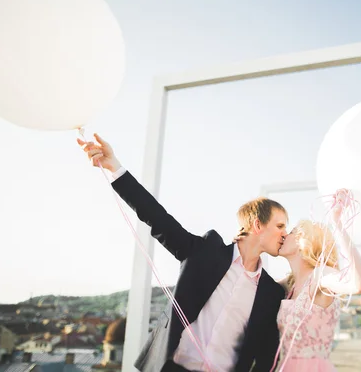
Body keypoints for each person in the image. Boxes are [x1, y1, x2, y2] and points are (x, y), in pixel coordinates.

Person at [78, 133, 287, 372]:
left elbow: (266, 358)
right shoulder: (205, 252)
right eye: (280, 226)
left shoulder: (272, 293)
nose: (284, 233)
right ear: (257, 225)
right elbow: (156, 217)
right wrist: (114, 167)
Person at [238, 191, 361, 371]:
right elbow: (250, 287)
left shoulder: (319, 276)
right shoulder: (289, 284)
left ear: (304, 241)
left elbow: (360, 284)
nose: (284, 235)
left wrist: (337, 223)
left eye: (291, 232)